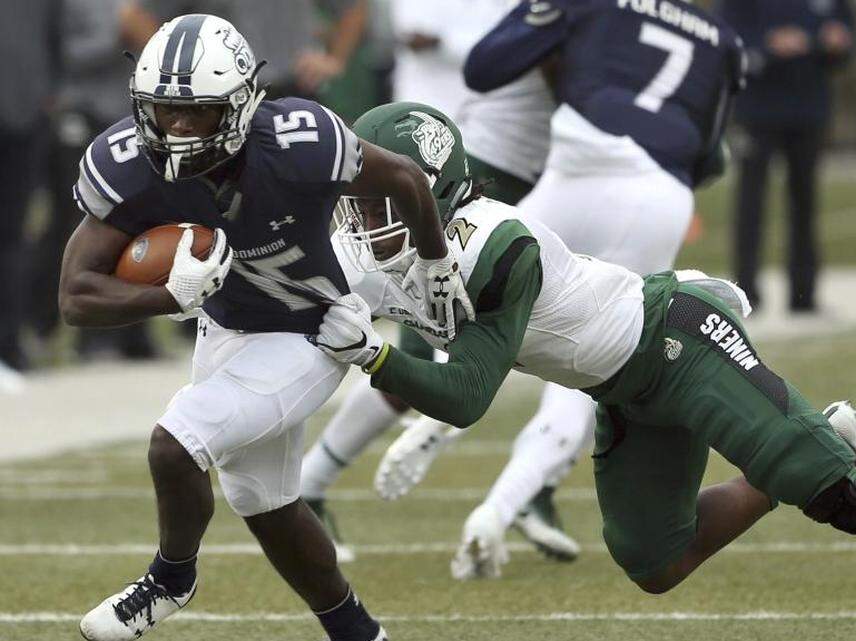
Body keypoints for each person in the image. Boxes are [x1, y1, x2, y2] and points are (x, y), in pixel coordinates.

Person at [317, 101, 856, 641]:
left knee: (850, 494)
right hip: (623, 387)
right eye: (363, 195)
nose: (366, 215)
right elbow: (376, 319)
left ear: (437, 190)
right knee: (655, 560)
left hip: (676, 340)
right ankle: (799, 455)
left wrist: (369, 354)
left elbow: (464, 395)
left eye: (387, 196)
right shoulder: (377, 251)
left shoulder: (499, 244)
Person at [58, 15, 470, 641]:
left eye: (195, 113)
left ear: (243, 102)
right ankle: (360, 634)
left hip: (311, 331)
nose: (175, 128)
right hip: (225, 330)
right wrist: (168, 297)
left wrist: (436, 262)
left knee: (176, 442)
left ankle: (171, 579)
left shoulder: (301, 142)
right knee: (266, 505)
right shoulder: (128, 164)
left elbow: (406, 179)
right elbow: (75, 296)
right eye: (163, 110)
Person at [298, 0, 569, 563]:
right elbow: (480, 59)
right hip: (464, 168)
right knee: (416, 343)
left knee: (557, 333)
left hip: (530, 171)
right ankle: (309, 484)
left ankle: (534, 485)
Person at [30, 0, 160, 363]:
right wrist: (116, 31)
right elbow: (58, 53)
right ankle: (82, 336)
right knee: (83, 221)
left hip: (134, 119)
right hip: (80, 112)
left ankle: (137, 335)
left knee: (145, 221)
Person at [719, 0, 856, 313]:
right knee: (751, 201)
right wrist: (767, 46)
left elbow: (846, 33)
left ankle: (803, 295)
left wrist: (838, 43)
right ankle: (746, 293)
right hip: (759, 108)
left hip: (809, 107)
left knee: (805, 202)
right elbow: (727, 40)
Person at [120, 0, 368, 100]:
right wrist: (178, 68)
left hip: (294, 90)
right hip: (218, 97)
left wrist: (334, 60)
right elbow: (135, 17)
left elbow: (352, 6)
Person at [0, 0, 60, 387]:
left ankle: (7, 345)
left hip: (22, 114)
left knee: (11, 234)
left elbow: (54, 37)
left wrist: (48, 91)